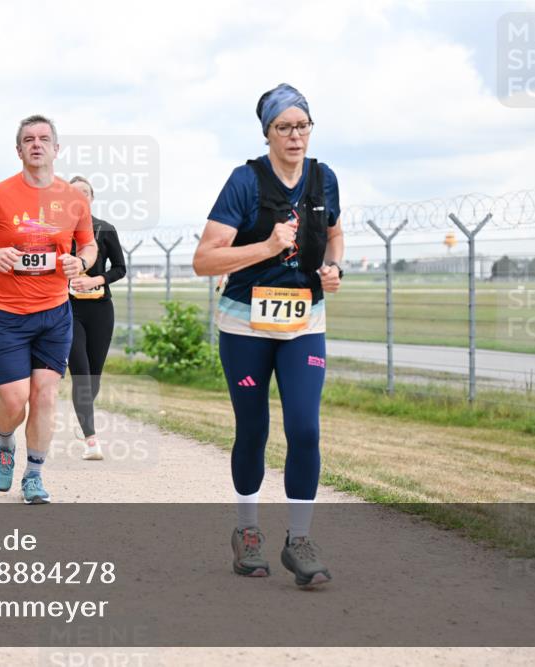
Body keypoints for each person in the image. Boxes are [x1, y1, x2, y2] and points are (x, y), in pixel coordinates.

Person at [192, 83, 344, 587]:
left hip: (304, 323)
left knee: (305, 428)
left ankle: (298, 540)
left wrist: (332, 266)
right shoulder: (245, 182)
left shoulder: (325, 179)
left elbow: (335, 231)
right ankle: (248, 531)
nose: (295, 136)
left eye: (303, 126)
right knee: (253, 428)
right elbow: (205, 260)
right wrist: (266, 246)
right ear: (267, 132)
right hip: (245, 324)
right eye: (285, 127)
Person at [0, 114, 97, 504]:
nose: (36, 144)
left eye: (44, 138)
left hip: (54, 312)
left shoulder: (74, 199)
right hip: (7, 312)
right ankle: (5, 442)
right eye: (28, 139)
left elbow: (87, 245)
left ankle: (35, 475)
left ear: (56, 149)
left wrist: (82, 263)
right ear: (19, 149)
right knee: (13, 400)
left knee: (43, 395)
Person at [65, 176, 126, 461]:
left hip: (101, 309)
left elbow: (121, 268)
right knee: (80, 373)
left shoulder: (105, 229)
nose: (80, 198)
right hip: (68, 311)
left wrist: (96, 280)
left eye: (85, 193)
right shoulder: (58, 232)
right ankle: (91, 439)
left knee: (94, 377)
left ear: (92, 198)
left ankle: (83, 413)